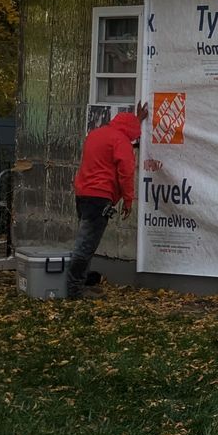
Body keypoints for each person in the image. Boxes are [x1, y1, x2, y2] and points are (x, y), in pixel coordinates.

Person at [68, 103, 145, 298]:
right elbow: (126, 173)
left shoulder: (96, 134)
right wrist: (128, 200)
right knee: (86, 245)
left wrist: (138, 119)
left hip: (83, 194)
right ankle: (74, 290)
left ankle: (80, 281)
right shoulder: (121, 142)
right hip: (100, 196)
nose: (135, 140)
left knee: (86, 240)